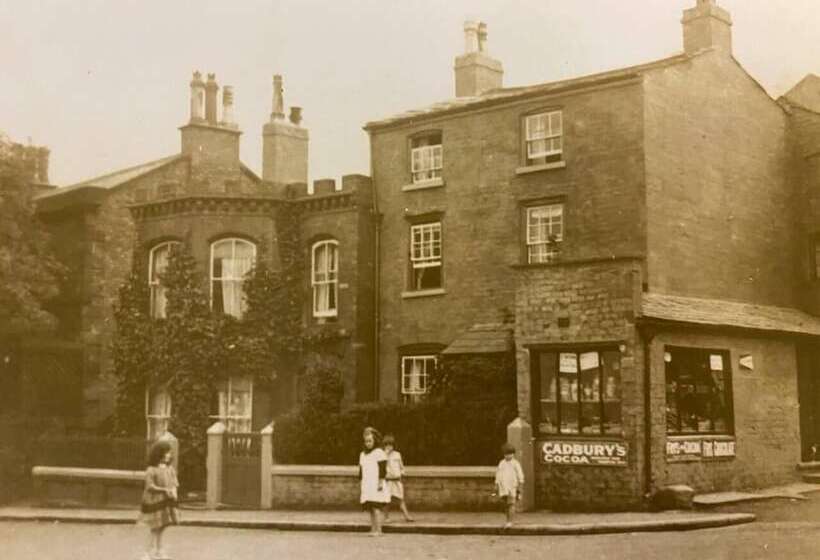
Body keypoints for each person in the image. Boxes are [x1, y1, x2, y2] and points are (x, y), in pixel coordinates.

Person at [140, 440, 180, 560]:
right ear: (159, 453)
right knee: (154, 528)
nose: (169, 455)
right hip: (154, 501)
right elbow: (150, 486)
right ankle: (146, 554)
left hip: (167, 500)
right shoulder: (151, 470)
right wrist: (165, 490)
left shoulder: (170, 469)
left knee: (162, 527)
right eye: (167, 452)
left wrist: (174, 492)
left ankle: (159, 552)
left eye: (169, 453)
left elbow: (174, 483)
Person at [358, 426, 390, 535]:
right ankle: (373, 528)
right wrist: (361, 483)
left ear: (374, 440)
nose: (368, 443)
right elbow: (361, 471)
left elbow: (382, 470)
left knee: (376, 508)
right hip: (367, 484)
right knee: (370, 508)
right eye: (366, 441)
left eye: (370, 441)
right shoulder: (362, 454)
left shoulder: (379, 452)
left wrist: (380, 483)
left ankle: (379, 530)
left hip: (376, 484)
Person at [382, 434, 414, 523]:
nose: (389, 447)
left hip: (397, 481)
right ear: (384, 446)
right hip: (388, 481)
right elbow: (381, 468)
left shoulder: (397, 454)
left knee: (401, 499)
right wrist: (386, 455)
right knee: (387, 501)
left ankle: (407, 516)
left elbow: (401, 467)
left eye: (391, 445)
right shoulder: (382, 455)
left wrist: (401, 474)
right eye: (387, 445)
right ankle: (386, 517)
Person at [494, 442, 524, 528]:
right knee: (506, 505)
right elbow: (498, 474)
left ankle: (510, 521)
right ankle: (508, 520)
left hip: (512, 487)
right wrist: (496, 484)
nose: (509, 456)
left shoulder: (515, 463)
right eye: (507, 454)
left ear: (513, 454)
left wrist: (520, 485)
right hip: (503, 487)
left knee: (511, 504)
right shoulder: (501, 463)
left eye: (511, 454)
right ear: (504, 454)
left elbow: (520, 475)